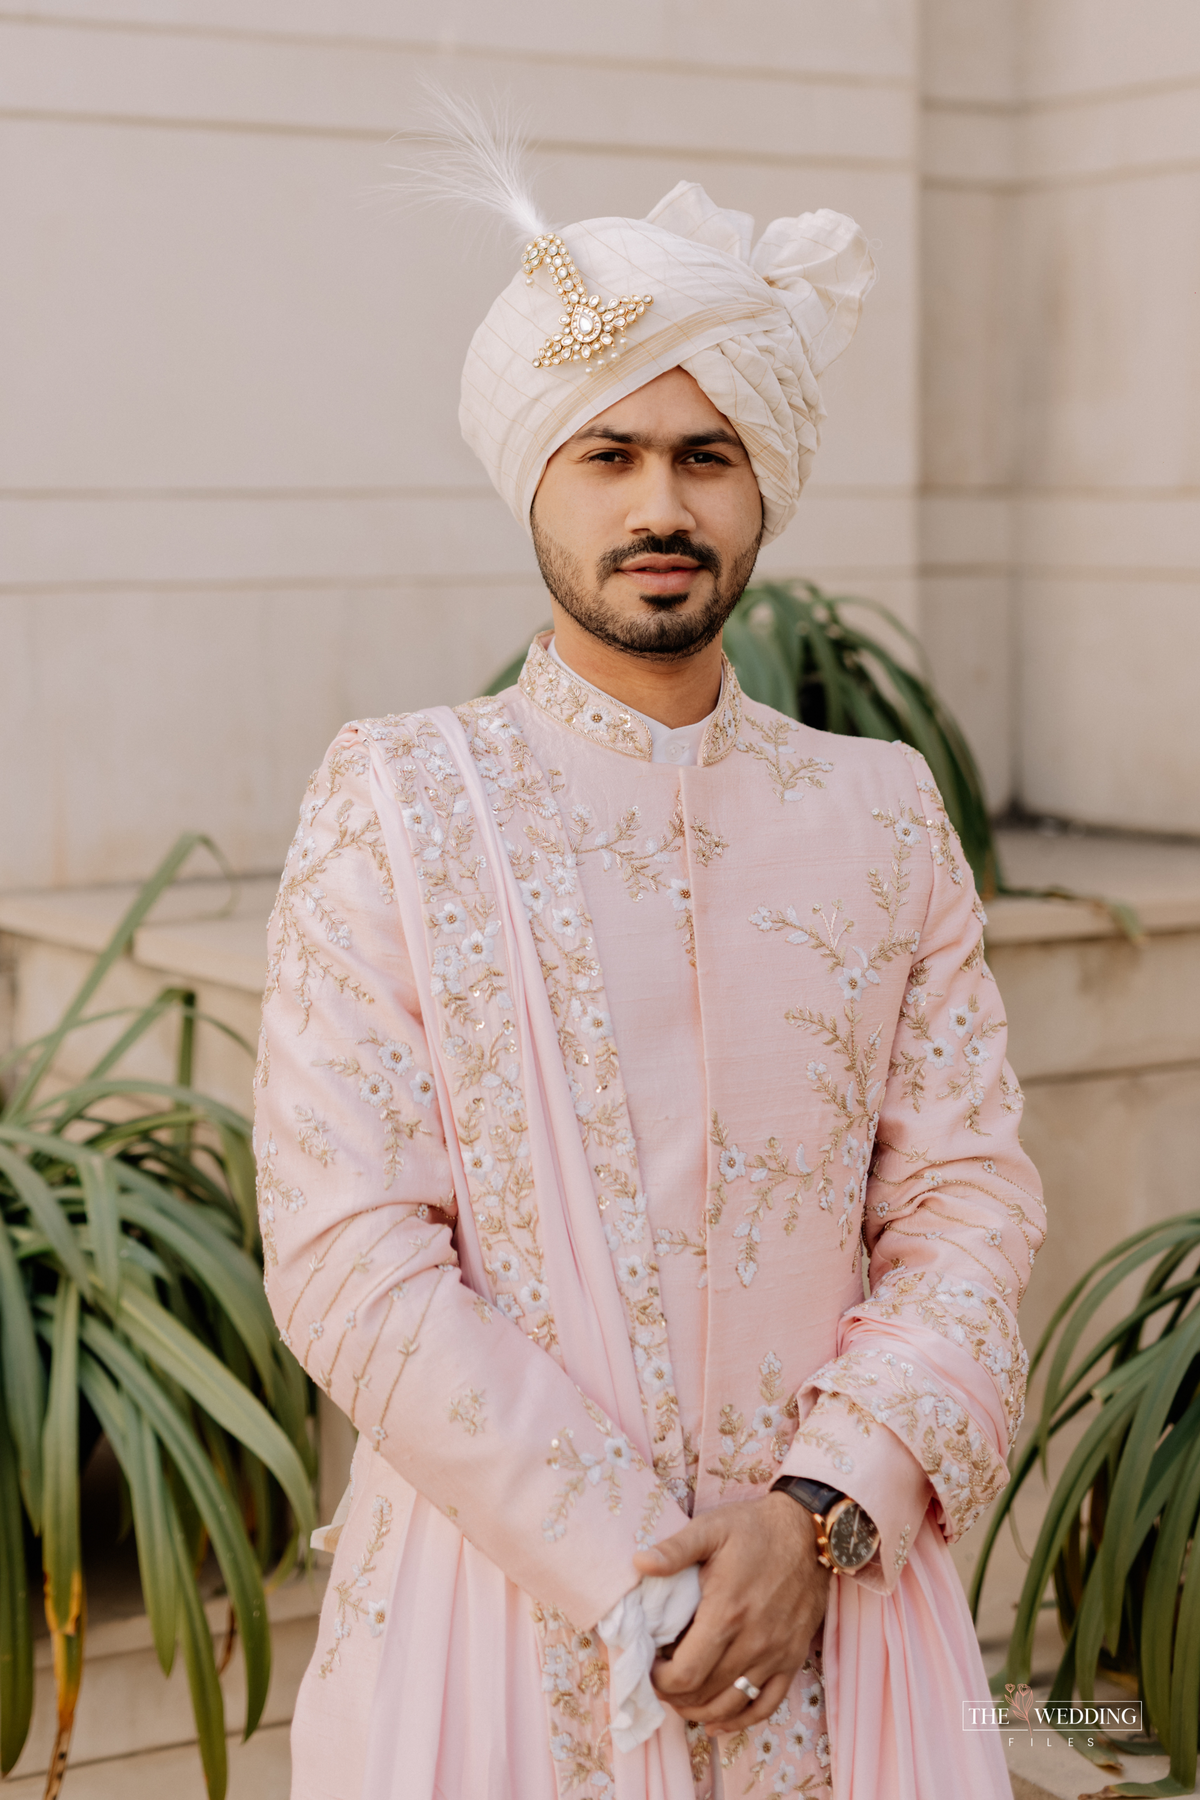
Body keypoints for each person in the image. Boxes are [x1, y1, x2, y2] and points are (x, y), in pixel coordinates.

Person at [255, 144, 1045, 1800]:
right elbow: (344, 1247)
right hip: (497, 1616)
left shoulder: (881, 816)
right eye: (607, 452)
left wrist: (814, 1512)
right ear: (536, 478)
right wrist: (653, 1564)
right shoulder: (399, 798)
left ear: (763, 490)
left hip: (838, 1608)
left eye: (706, 456)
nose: (661, 505)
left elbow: (969, 1208)